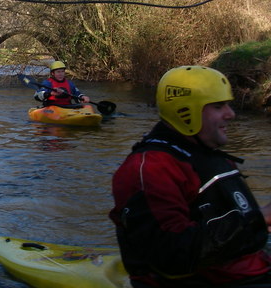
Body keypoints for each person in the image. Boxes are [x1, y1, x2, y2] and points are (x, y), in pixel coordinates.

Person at [109, 65, 271, 287]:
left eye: (228, 104)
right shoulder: (150, 168)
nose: (231, 114)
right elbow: (171, 255)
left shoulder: (210, 154)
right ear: (186, 110)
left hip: (251, 268)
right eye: (218, 106)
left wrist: (259, 222)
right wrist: (259, 219)